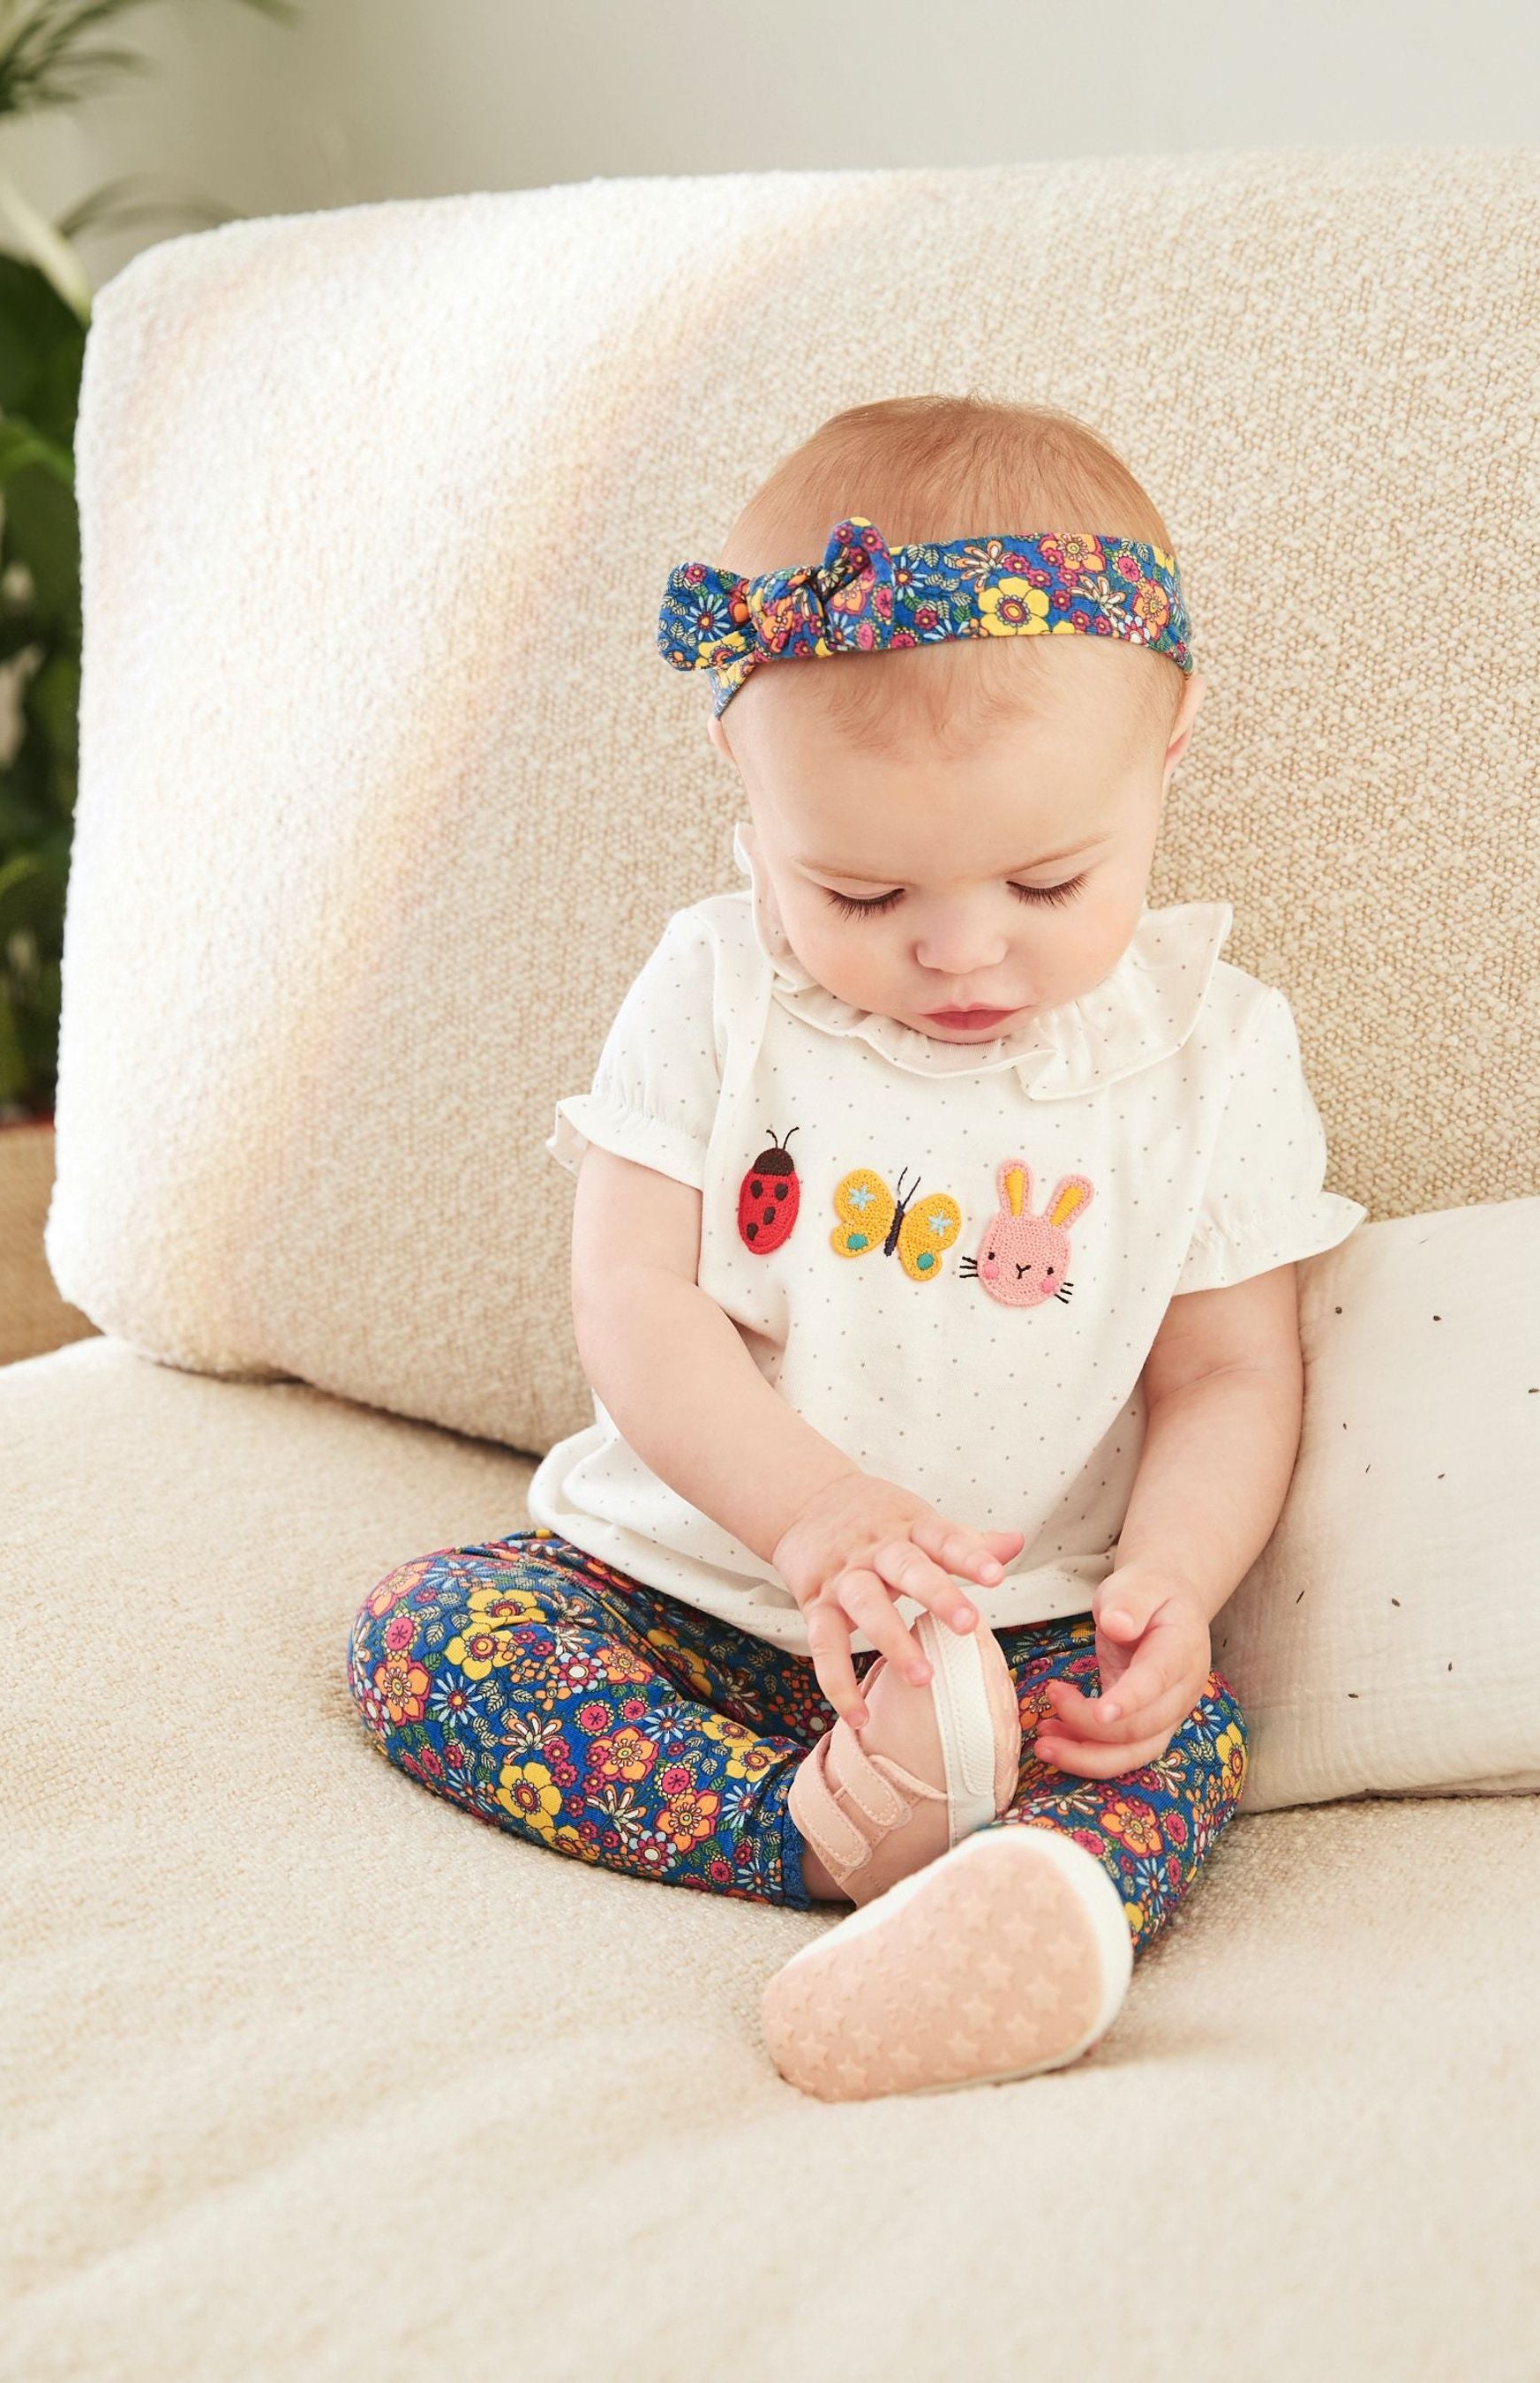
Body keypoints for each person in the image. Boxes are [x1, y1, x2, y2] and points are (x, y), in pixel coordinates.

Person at [345, 393, 1366, 2101]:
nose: (962, 955)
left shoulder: (1207, 1056)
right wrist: (811, 1519)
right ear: (743, 783)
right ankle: (812, 1837)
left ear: (1169, 749)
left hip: (1012, 1640)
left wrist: (1170, 1588)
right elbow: (632, 1293)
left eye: (1049, 883)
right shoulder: (719, 994)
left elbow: (1231, 1370)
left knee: (1192, 1746)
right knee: (424, 1635)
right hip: (685, 1585)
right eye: (861, 899)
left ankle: (1037, 1897)